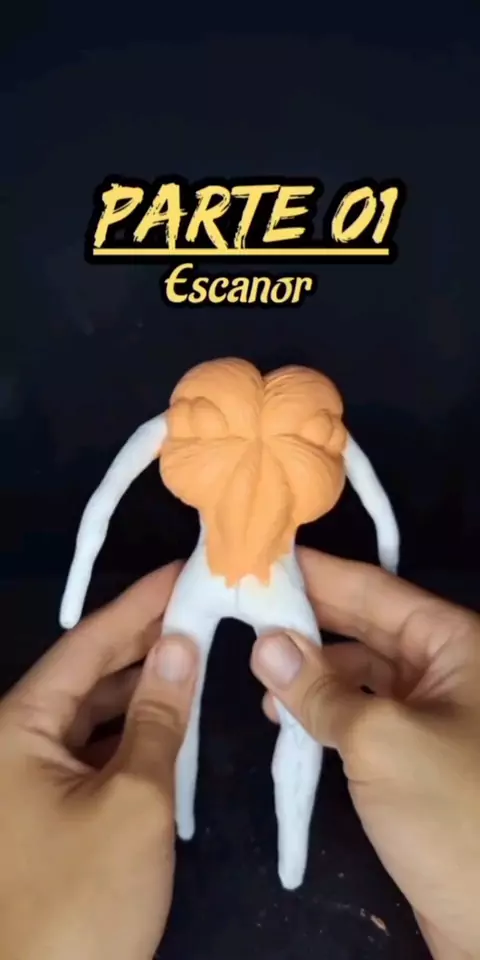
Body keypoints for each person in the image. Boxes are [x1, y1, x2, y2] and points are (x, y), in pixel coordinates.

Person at [0, 550, 479, 960]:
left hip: (241, 574)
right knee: (281, 719)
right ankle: (256, 843)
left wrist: (76, 589)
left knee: (250, 715)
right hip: (258, 576)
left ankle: (235, 835)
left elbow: (107, 500)